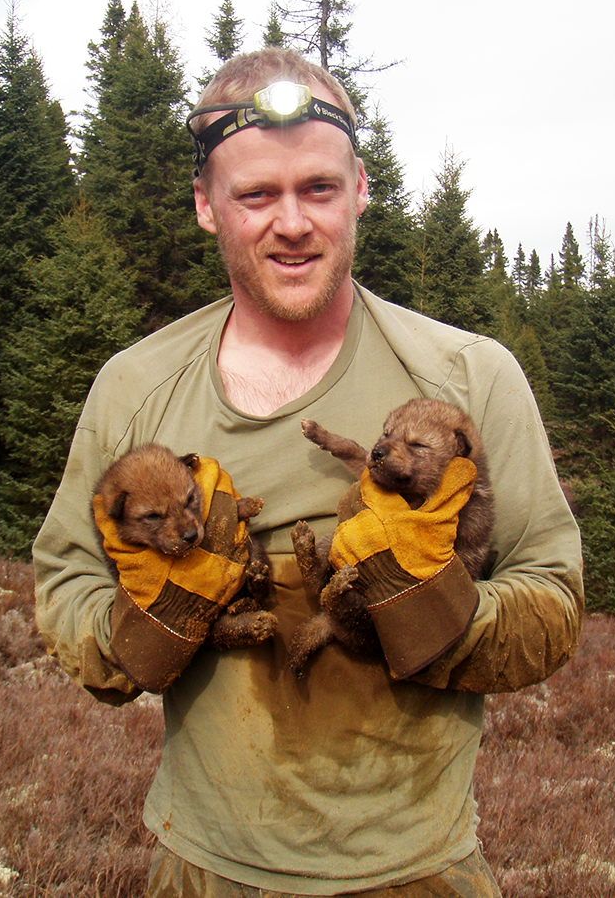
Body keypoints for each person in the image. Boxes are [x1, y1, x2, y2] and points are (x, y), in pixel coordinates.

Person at [33, 47, 584, 898]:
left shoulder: (470, 378)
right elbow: (66, 581)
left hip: (419, 872)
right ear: (206, 206)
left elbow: (552, 596)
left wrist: (420, 605)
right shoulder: (136, 388)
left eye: (318, 189)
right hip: (201, 872)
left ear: (359, 190)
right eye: (256, 194)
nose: (291, 222)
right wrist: (154, 623)